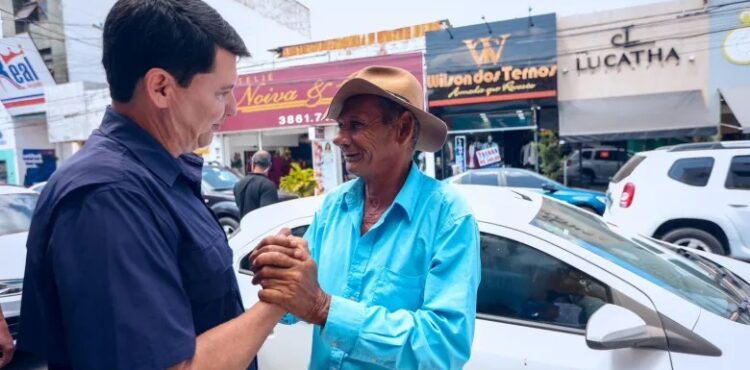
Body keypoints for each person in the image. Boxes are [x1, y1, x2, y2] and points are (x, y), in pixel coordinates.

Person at [17, 1, 292, 369]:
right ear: (161, 88)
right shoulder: (109, 198)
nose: (232, 109)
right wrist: (280, 299)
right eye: (221, 93)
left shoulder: (160, 177)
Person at [250, 66, 481, 369]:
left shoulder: (448, 218)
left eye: (355, 125)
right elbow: (299, 302)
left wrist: (325, 309)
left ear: (402, 129)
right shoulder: (335, 206)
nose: (340, 139)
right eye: (341, 126)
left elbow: (443, 345)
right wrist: (282, 274)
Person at [234, 150, 279, 218]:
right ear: (269, 165)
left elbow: (239, 206)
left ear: (253, 164)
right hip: (261, 228)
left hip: (244, 226)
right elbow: (268, 214)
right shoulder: (268, 186)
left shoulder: (238, 184)